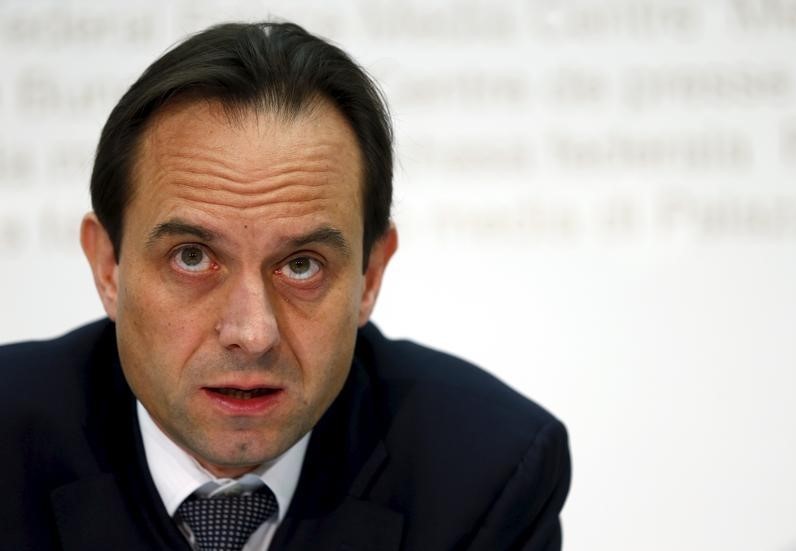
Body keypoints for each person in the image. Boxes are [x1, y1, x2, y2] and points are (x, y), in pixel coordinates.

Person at [0, 21, 570, 551]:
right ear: (108, 266)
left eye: (302, 265)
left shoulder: (487, 474)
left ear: (370, 276)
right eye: (192, 257)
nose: (252, 334)